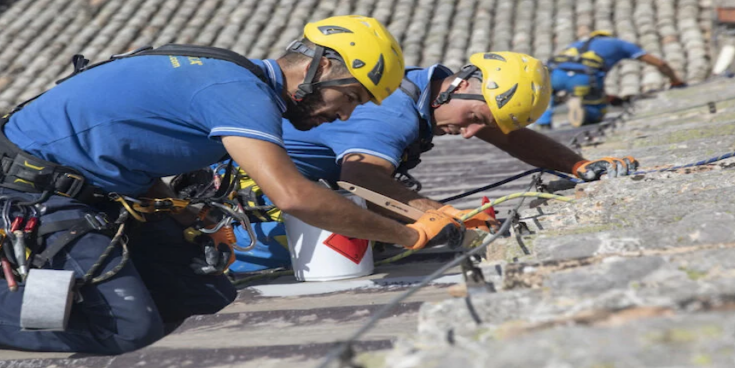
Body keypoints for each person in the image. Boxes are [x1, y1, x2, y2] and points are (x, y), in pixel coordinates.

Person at [0, 15, 478, 358]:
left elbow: (127, 136)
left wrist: (171, 210)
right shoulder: (236, 91)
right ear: (319, 69)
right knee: (124, 325)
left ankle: (19, 285)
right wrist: (405, 231)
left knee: (200, 294)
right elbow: (294, 195)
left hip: (86, 194)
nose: (344, 116)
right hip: (25, 192)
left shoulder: (233, 82)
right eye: (348, 99)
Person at [219, 52, 642, 273]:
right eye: (476, 119)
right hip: (255, 214)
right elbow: (361, 178)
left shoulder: (427, 91)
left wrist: (578, 166)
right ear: (460, 85)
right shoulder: (394, 112)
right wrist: (442, 215)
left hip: (298, 198)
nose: (474, 134)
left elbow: (512, 136)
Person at [536, 31, 687, 129]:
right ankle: (587, 111)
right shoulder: (620, 44)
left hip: (555, 74)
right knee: (595, 112)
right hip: (585, 78)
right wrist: (675, 81)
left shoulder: (576, 44)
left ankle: (543, 123)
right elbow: (660, 63)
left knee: (548, 97)